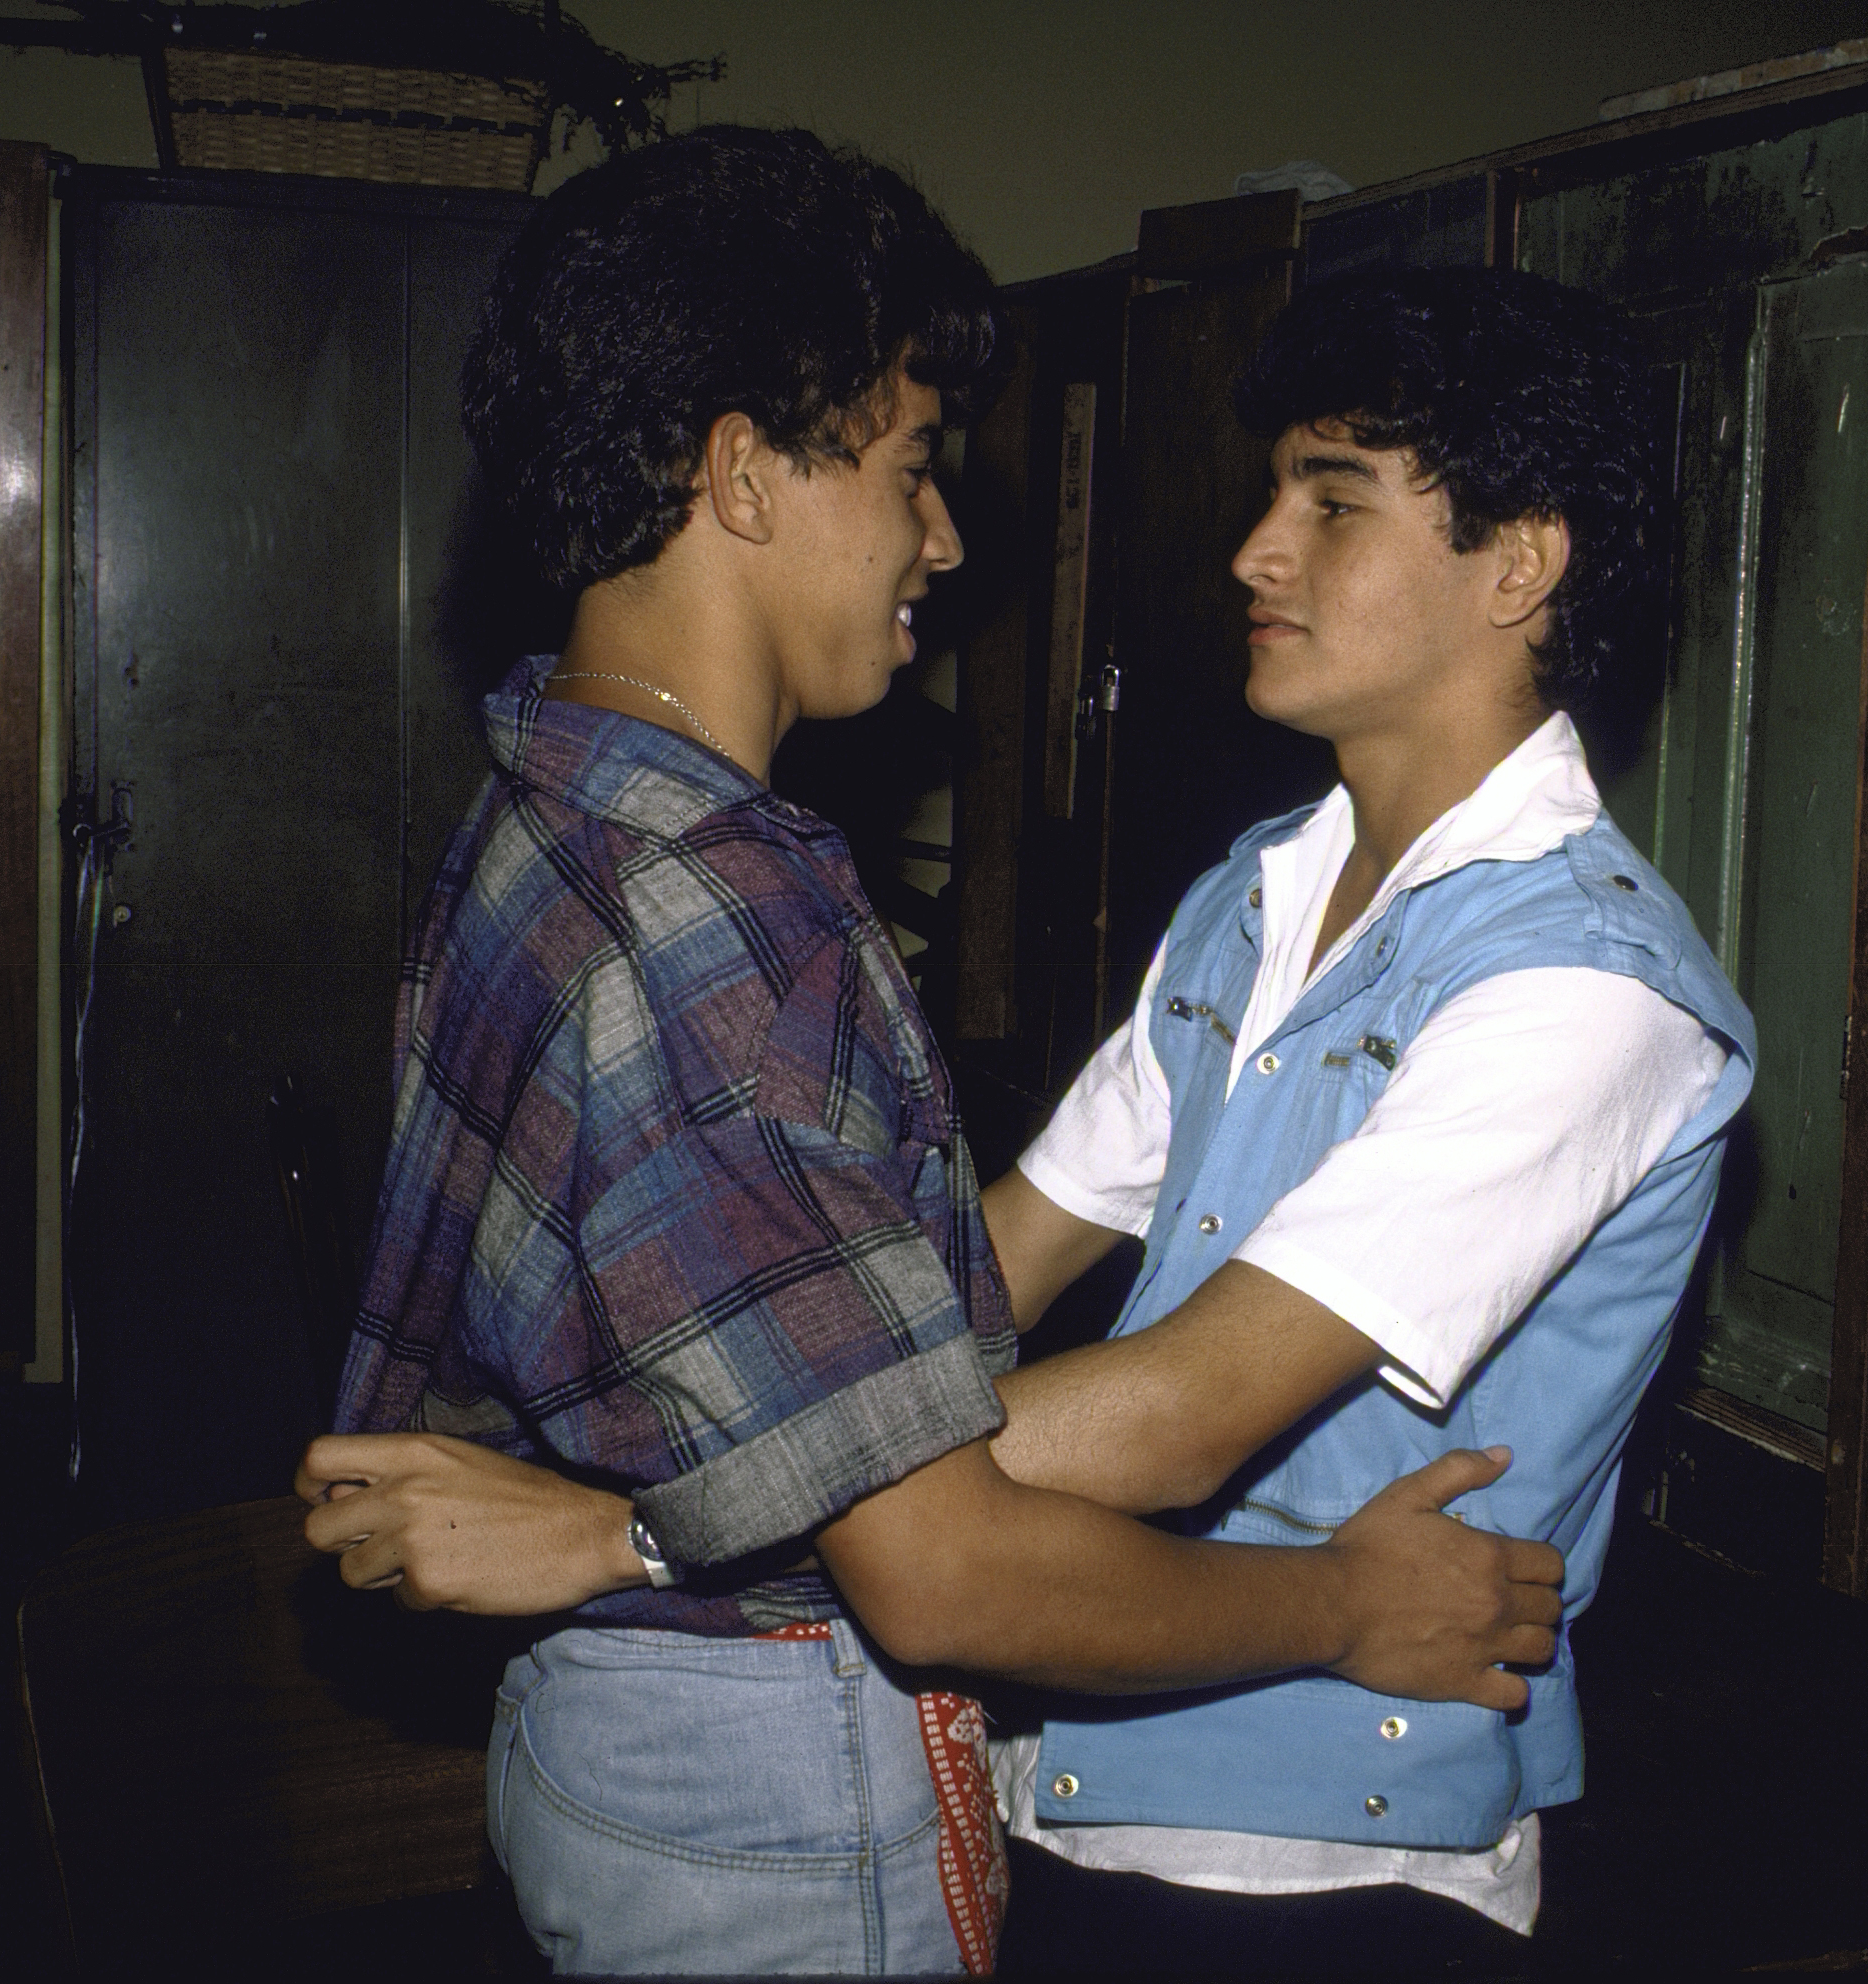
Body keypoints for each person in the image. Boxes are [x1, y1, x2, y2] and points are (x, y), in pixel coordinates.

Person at [298, 130, 1564, 1979]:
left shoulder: (544, 801)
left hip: (604, 1738)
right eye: (908, 469)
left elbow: (924, 1303)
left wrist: (610, 1537)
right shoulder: (712, 916)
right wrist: (1342, 1605)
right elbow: (944, 1563)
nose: (946, 539)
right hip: (765, 1789)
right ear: (743, 471)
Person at [970, 265, 1756, 1972]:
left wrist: (677, 1505)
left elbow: (1183, 1420)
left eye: (1333, 502)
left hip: (1332, 1881)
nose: (1259, 550)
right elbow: (990, 1267)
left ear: (1519, 563)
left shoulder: (1585, 989)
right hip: (1074, 1781)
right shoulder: (1258, 896)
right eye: (1273, 495)